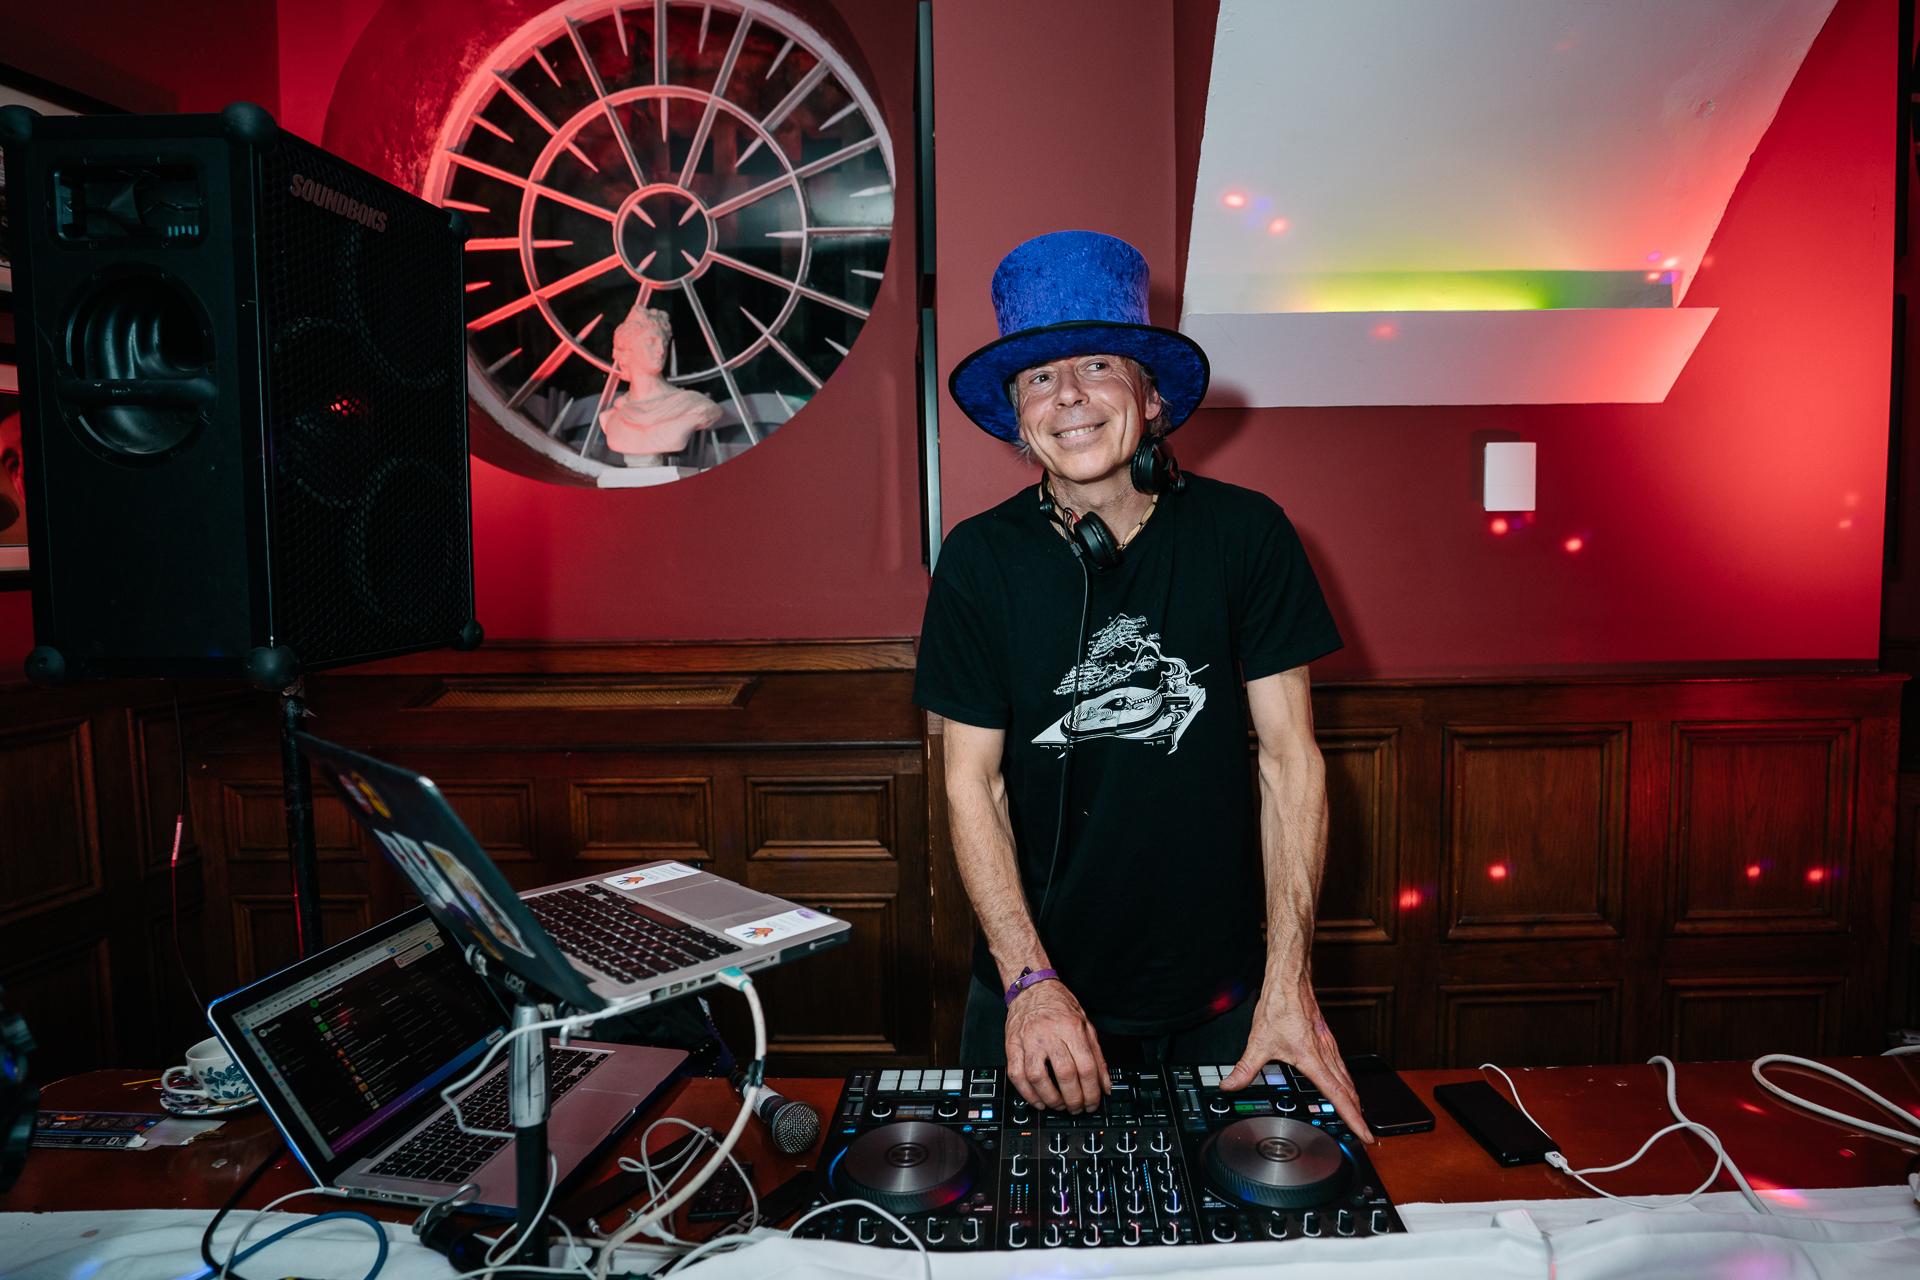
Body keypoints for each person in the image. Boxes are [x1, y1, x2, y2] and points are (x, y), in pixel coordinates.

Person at [913, 231, 1373, 1141]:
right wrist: (1029, 982)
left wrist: (1289, 984)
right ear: (1016, 415)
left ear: (1152, 399)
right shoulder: (976, 560)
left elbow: (1291, 761)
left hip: (1229, 996)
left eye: (1095, 365)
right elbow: (973, 781)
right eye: (1038, 378)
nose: (1069, 396)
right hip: (1034, 986)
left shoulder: (1248, 535)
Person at [598, 303, 722, 461]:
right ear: (628, 349)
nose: (662, 350)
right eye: (651, 342)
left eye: (664, 342)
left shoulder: (694, 406)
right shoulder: (610, 417)